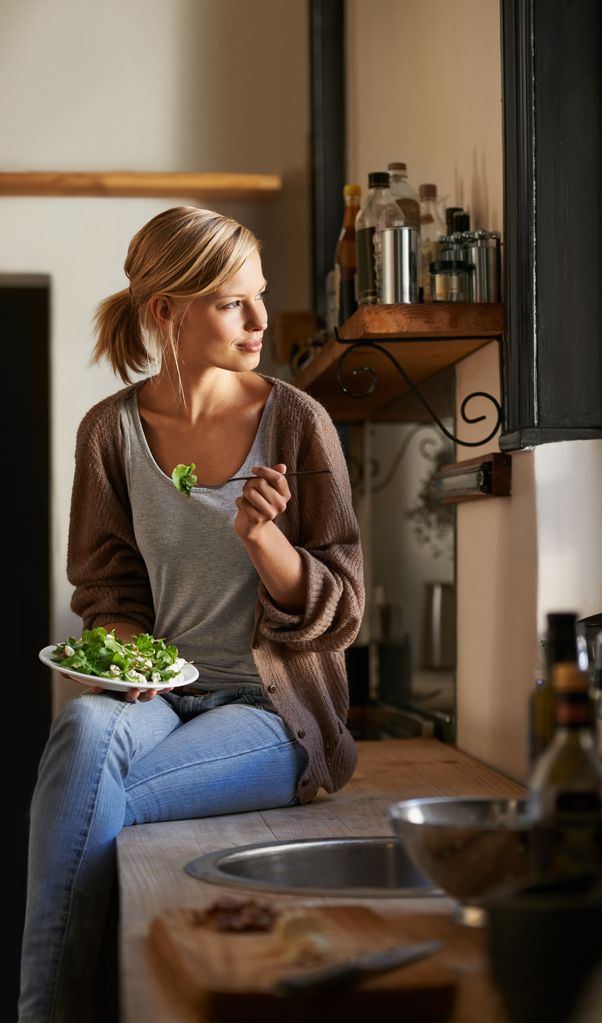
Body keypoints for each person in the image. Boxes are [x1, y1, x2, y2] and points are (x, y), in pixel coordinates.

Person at [18, 205, 365, 1023]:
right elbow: (108, 594)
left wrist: (266, 541)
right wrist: (135, 660)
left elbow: (342, 610)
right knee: (82, 735)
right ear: (167, 310)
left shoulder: (296, 422)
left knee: (90, 793)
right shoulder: (110, 432)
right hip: (164, 700)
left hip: (270, 715)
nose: (258, 321)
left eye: (260, 297)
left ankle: (49, 1012)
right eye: (230, 302)